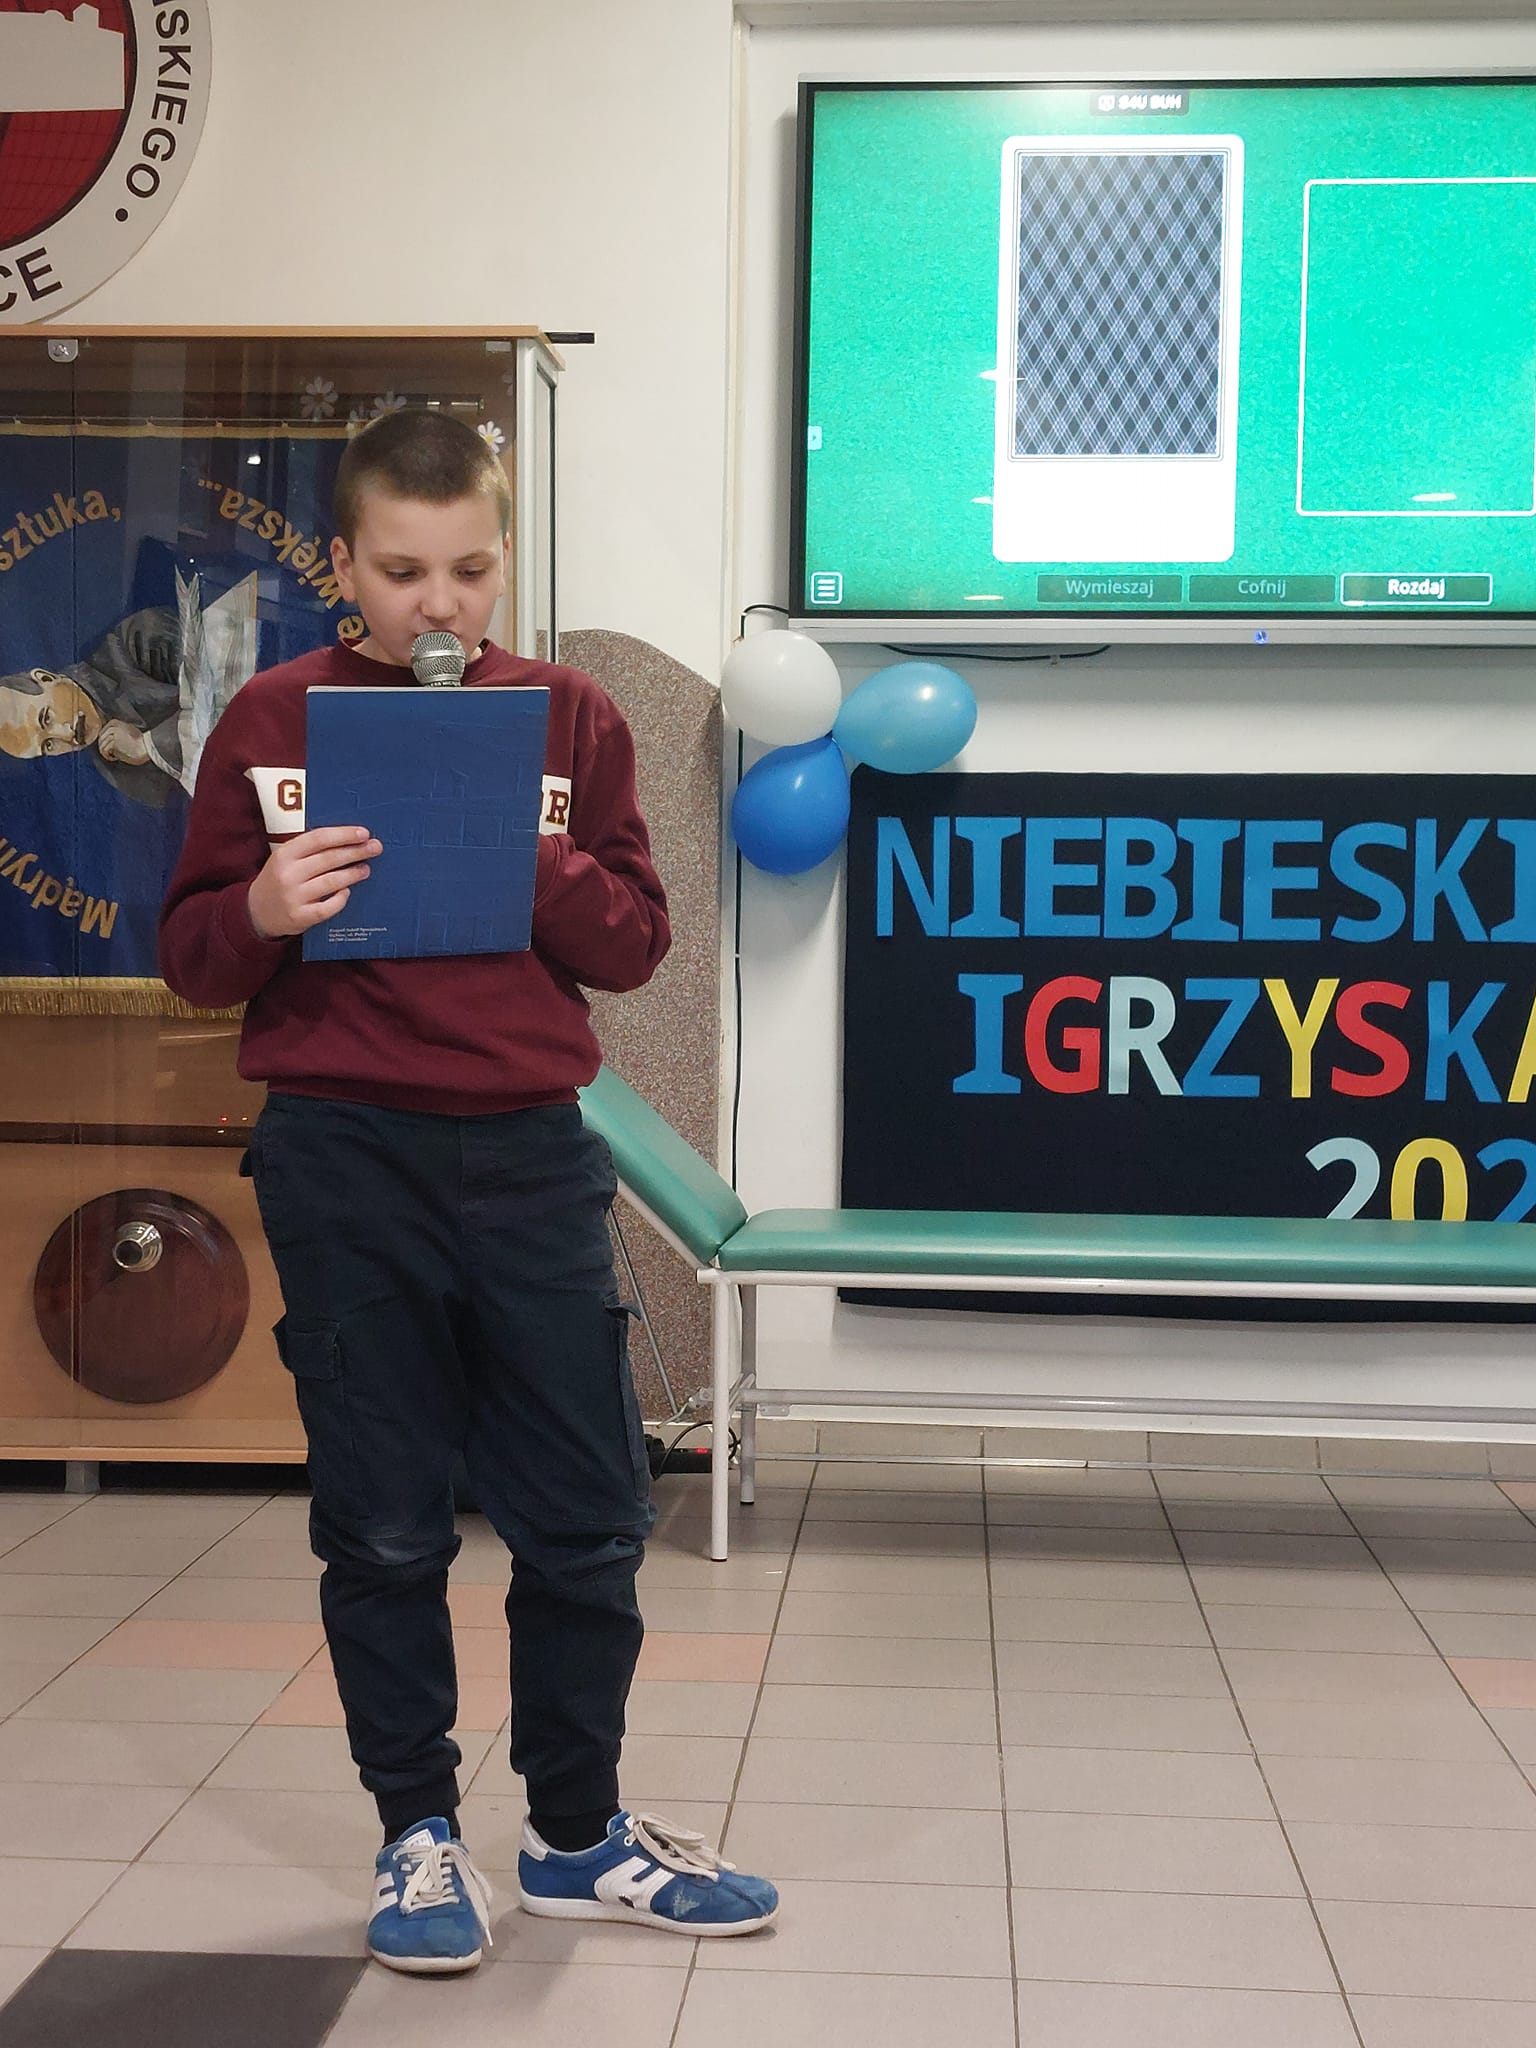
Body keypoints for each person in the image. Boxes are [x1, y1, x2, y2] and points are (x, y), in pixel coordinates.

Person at [157, 409, 777, 1975]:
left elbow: (633, 945)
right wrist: (264, 904)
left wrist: (531, 853)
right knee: (381, 1527)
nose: (438, 604)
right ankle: (416, 1837)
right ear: (342, 563)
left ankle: (574, 1838)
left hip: (526, 1154)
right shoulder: (275, 720)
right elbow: (191, 959)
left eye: (470, 570)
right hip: (343, 1156)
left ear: (504, 560)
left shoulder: (567, 718)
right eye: (402, 572)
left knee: (587, 1519)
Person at [0, 611, 185, 807]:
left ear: (46, 678)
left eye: (46, 719)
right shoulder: (112, 766)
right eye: (49, 745)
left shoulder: (136, 640)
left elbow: (211, 701)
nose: (67, 735)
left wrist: (147, 746)